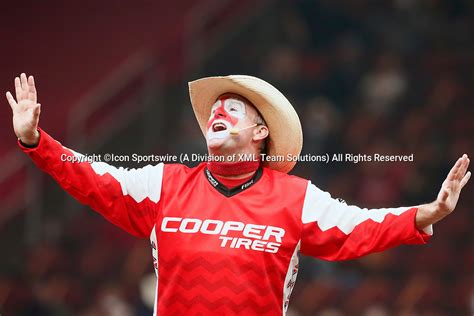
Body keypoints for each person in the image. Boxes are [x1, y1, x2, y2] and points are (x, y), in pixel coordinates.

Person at [6, 73, 471, 315]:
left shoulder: (295, 197)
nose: (217, 113)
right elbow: (93, 177)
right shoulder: (166, 184)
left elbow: (357, 227)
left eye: (232, 108)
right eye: (213, 111)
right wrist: (36, 141)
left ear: (261, 132)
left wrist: (427, 213)